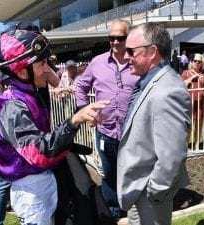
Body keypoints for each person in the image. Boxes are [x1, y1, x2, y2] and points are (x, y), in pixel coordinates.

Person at [0, 28, 109, 225]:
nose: (48, 69)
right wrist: (74, 121)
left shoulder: (27, 95)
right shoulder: (12, 105)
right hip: (31, 190)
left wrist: (75, 122)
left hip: (42, 181)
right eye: (42, 63)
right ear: (20, 69)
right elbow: (38, 154)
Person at [116, 23, 192, 225]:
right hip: (138, 189)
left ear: (152, 52)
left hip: (149, 195)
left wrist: (154, 191)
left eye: (131, 51)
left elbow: (172, 155)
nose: (125, 57)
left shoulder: (167, 90)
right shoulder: (150, 81)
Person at [75, 19, 139, 220]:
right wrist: (85, 110)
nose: (115, 42)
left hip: (133, 133)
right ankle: (111, 213)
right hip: (106, 132)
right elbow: (80, 86)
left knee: (132, 174)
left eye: (120, 37)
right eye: (111, 38)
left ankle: (133, 211)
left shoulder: (138, 61)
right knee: (109, 176)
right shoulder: (97, 62)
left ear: (128, 37)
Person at [182, 53, 204, 150]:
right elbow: (182, 84)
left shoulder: (203, 75)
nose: (197, 63)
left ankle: (197, 146)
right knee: (188, 127)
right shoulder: (186, 72)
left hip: (202, 103)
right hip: (190, 103)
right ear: (191, 62)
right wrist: (192, 78)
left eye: (199, 61)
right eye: (195, 61)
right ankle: (185, 146)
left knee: (199, 126)